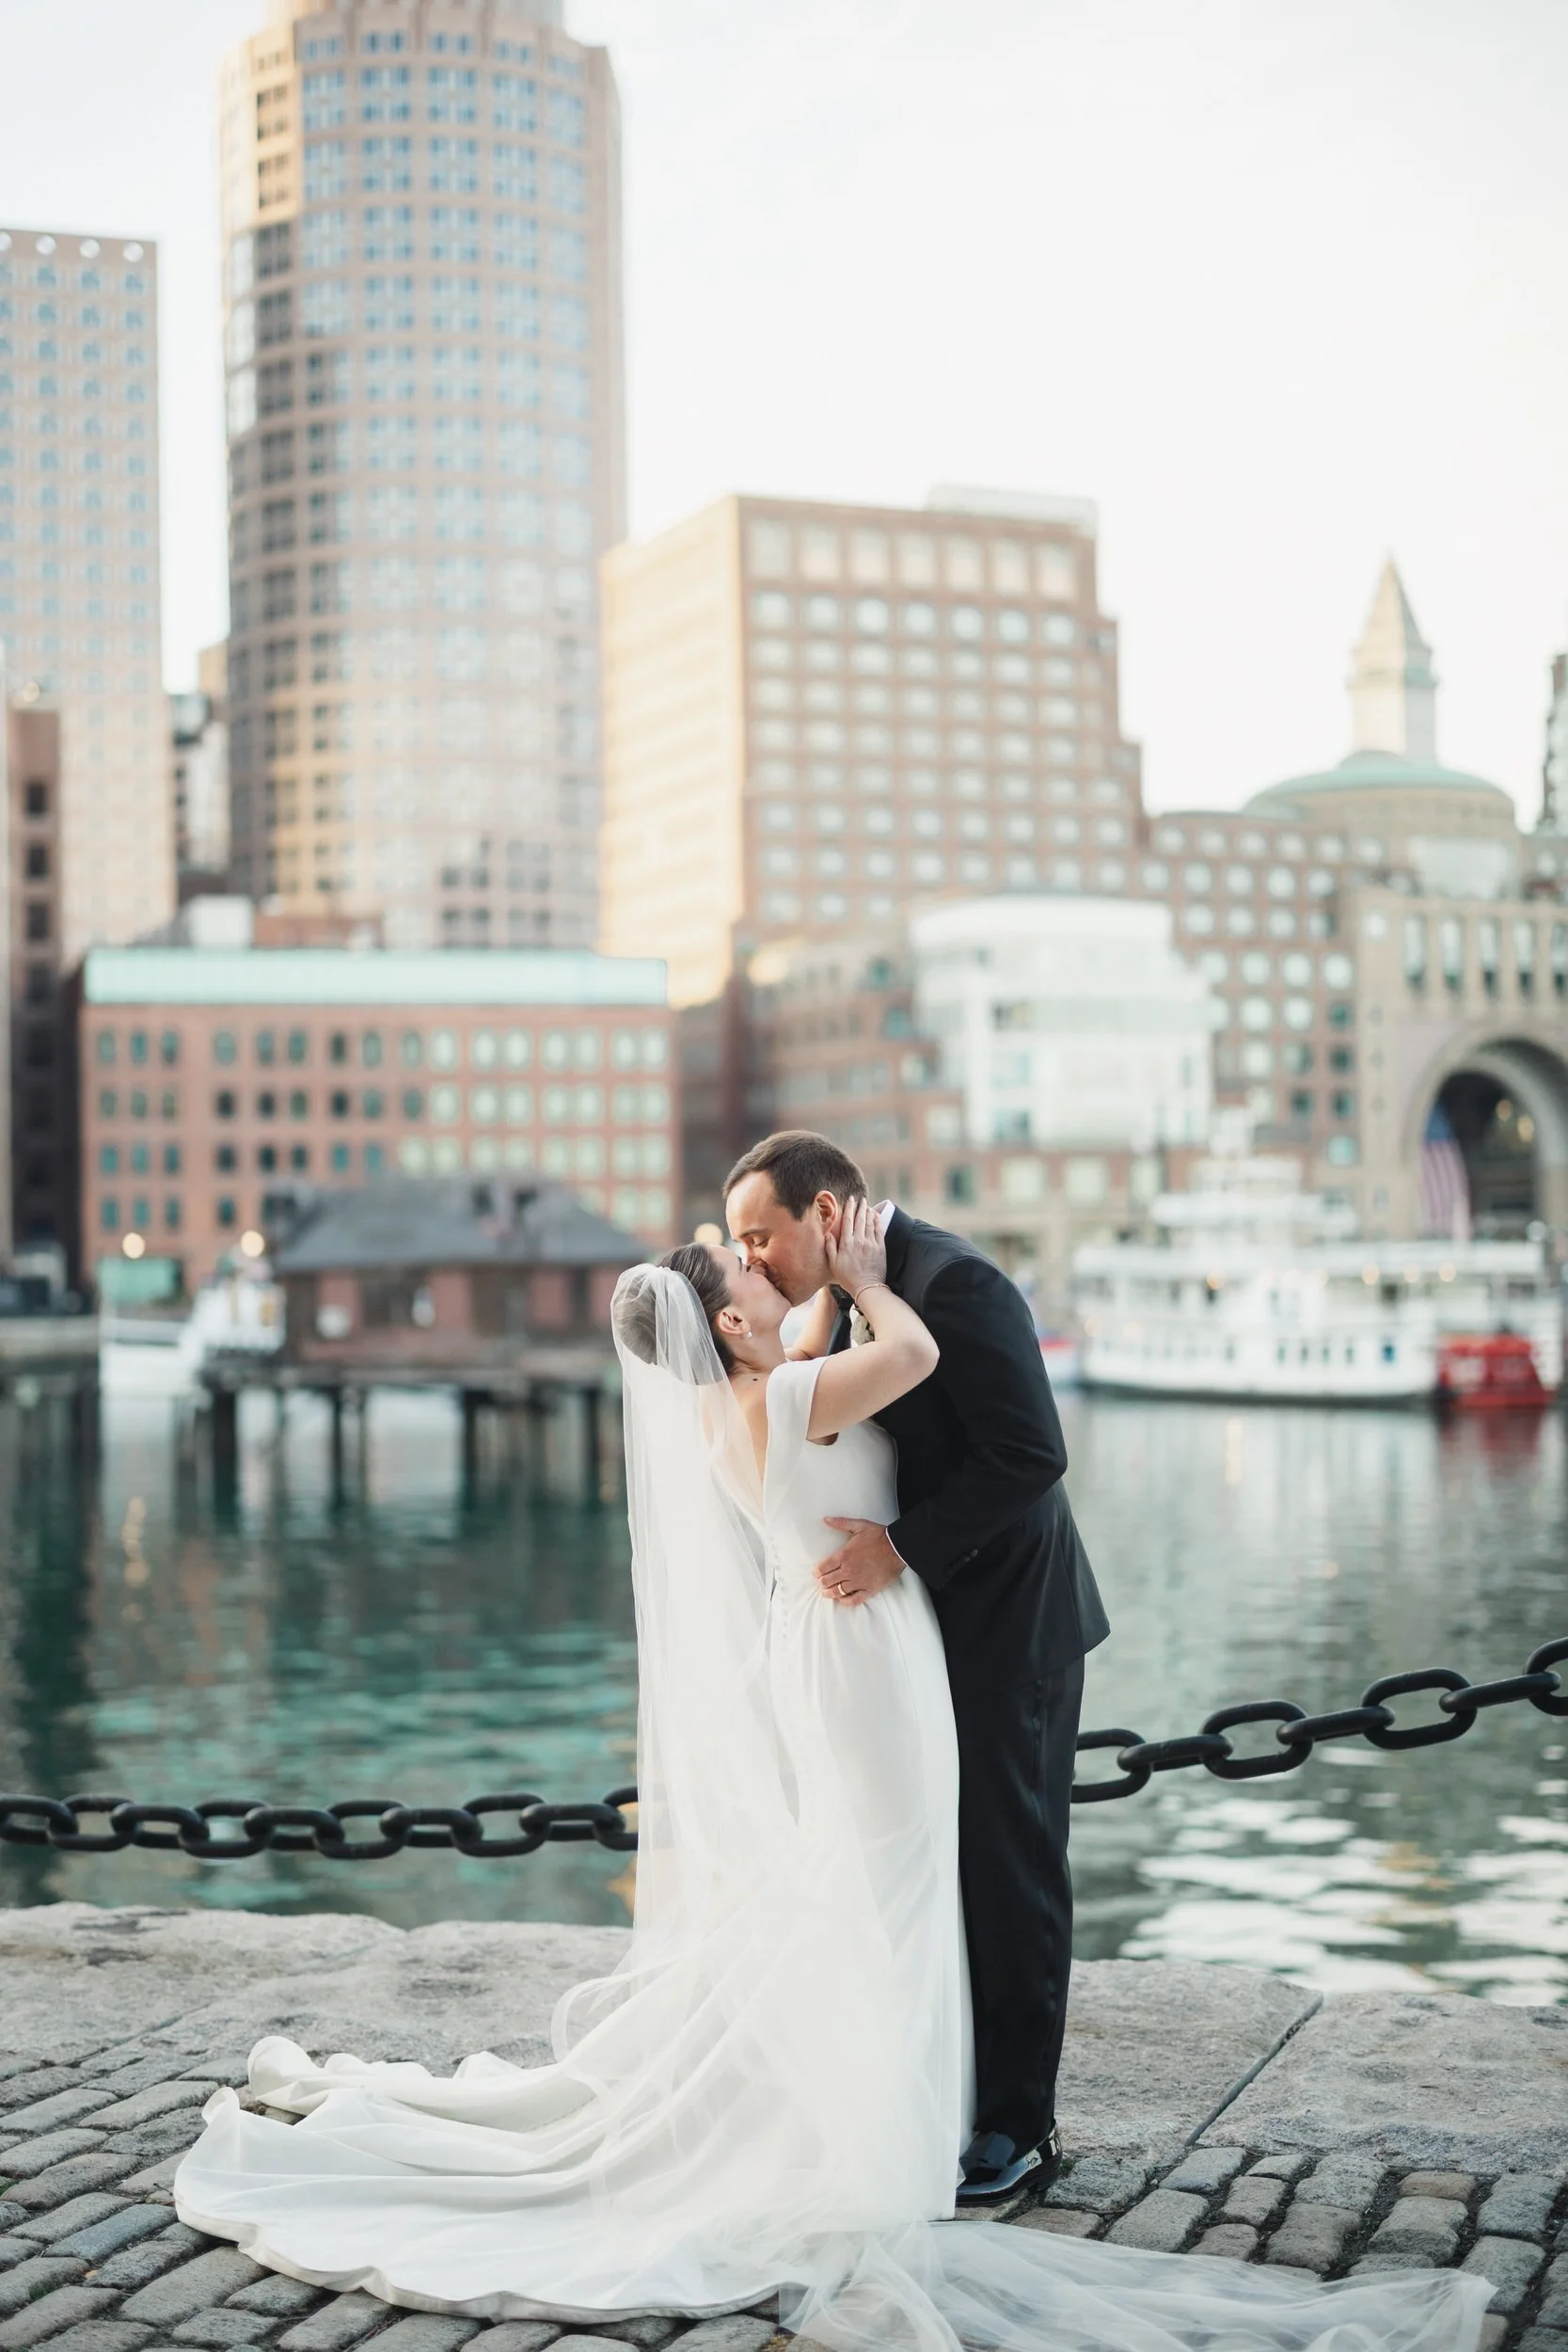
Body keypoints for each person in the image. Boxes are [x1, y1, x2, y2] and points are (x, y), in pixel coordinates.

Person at [172, 1214, 1488, 2352]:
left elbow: (820, 1388)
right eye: (741, 1284)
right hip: (867, 1656)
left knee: (867, 1877)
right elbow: (909, 1360)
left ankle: (893, 2108)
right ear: (727, 1326)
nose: (760, 1282)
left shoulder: (729, 1414)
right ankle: (895, 2129)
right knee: (896, 1875)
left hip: (827, 1646)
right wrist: (862, 1276)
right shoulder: (797, 1389)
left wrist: (813, 1308)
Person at [724, 1130, 1106, 2204]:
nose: (753, 1259)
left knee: (1009, 1863)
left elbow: (1031, 1452)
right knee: (946, 1858)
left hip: (1009, 1623)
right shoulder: (851, 1294)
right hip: (925, 1630)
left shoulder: (956, 1282)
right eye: (740, 1244)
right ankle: (952, 2088)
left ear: (827, 1211)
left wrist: (895, 1549)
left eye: (764, 1234)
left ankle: (1017, 2128)